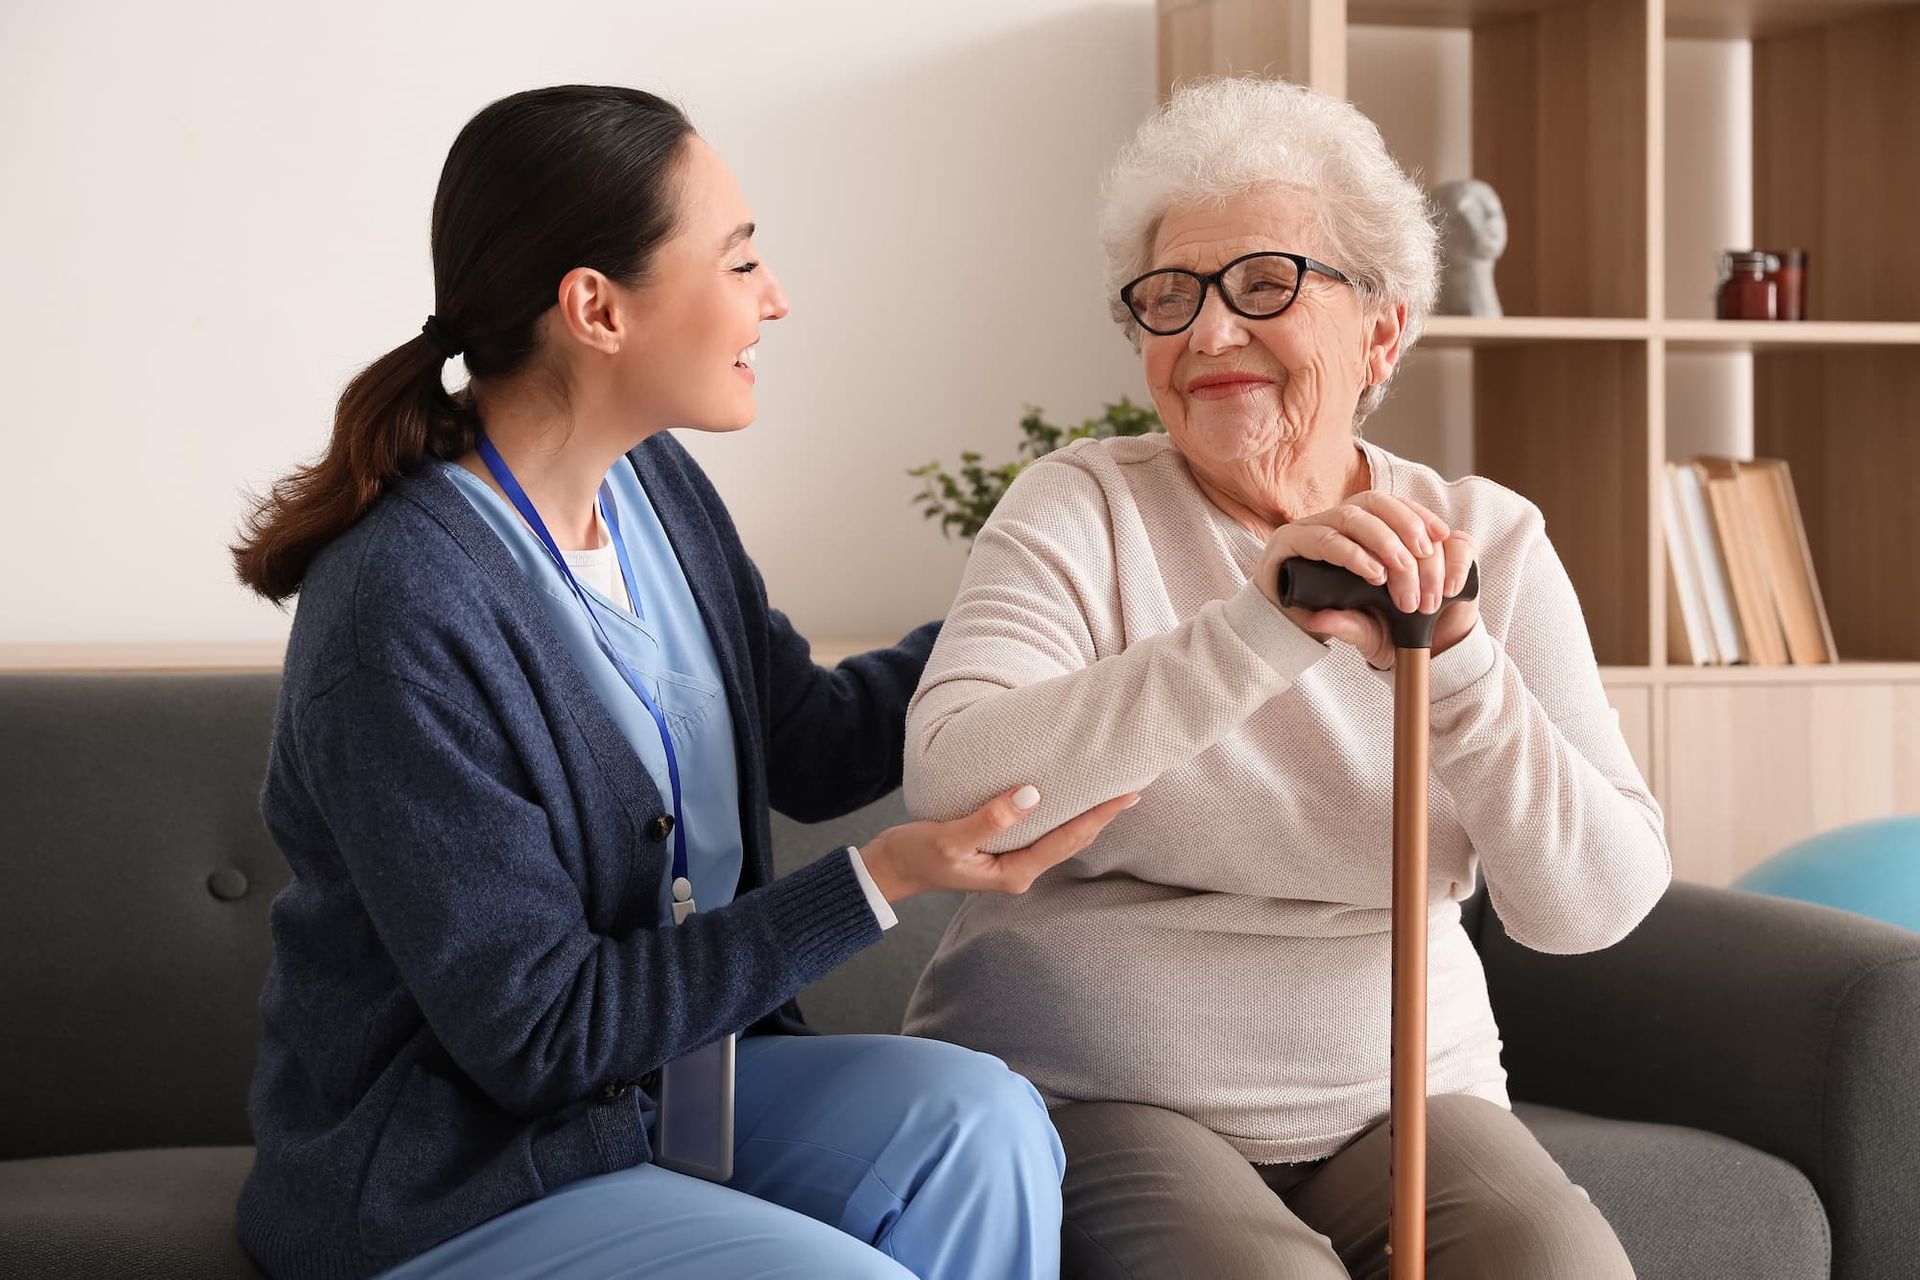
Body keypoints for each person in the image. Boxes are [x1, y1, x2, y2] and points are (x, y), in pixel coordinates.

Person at [228, 84, 1135, 1280]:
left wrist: (1058, 610)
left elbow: (810, 738)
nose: (777, 297)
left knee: (983, 1123)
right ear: (595, 308)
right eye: (742, 259)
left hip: (673, 1092)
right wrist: (882, 877)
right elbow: (544, 1033)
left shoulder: (654, 491)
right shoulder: (402, 606)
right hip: (458, 1170)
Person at [900, 76, 1670, 1279]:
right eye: (1169, 297)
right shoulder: (1083, 505)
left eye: (1264, 285)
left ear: (1384, 328)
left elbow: (1595, 904)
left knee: (1561, 1266)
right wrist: (1263, 623)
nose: (1208, 334)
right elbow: (953, 781)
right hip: (1097, 1086)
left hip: (1401, 1095)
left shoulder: (1490, 538)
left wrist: (1458, 666)